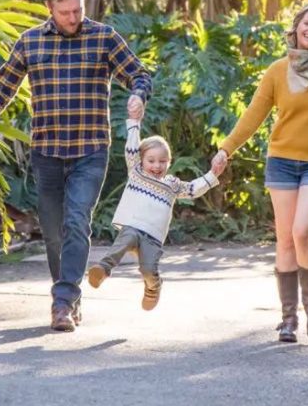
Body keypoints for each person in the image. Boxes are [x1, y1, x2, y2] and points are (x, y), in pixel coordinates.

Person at [0, 0, 152, 332]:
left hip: (90, 150)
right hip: (47, 151)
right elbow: (3, 84)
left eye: (78, 9)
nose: (73, 18)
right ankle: (69, 294)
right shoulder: (31, 42)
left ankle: (63, 301)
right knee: (52, 233)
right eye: (65, 12)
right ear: (49, 8)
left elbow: (138, 73)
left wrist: (137, 94)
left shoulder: (103, 37)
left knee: (76, 221)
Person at [211, 2, 308, 342]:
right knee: (285, 238)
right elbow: (254, 114)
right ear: (296, 27)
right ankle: (289, 319)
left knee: (303, 230)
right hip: (282, 161)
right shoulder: (278, 71)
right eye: (307, 23)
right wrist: (226, 149)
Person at [87, 116, 221, 310]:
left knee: (148, 269)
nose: (157, 166)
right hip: (133, 227)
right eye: (151, 161)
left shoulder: (172, 185)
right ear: (141, 160)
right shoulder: (136, 173)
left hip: (153, 238)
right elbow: (131, 149)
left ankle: (153, 287)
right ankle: (103, 269)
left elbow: (192, 189)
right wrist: (133, 122)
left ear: (169, 162)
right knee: (126, 237)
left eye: (162, 161)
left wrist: (213, 174)